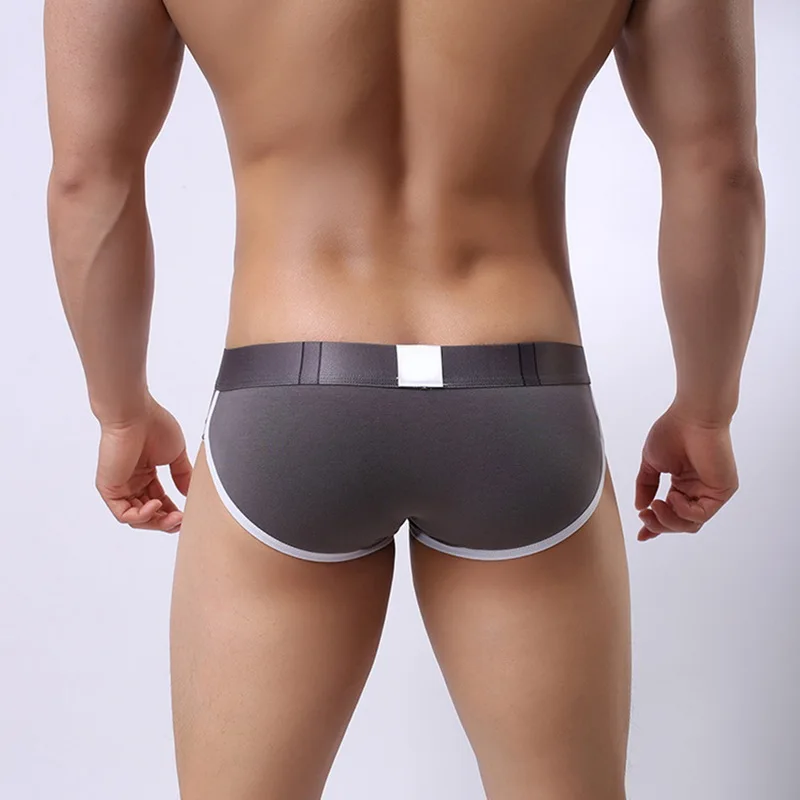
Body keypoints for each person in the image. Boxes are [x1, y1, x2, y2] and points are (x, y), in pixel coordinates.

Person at [43, 0, 765, 797]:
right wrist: (707, 408)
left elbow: (87, 177)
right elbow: (717, 167)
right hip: (520, 395)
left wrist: (120, 409)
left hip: (290, 396)